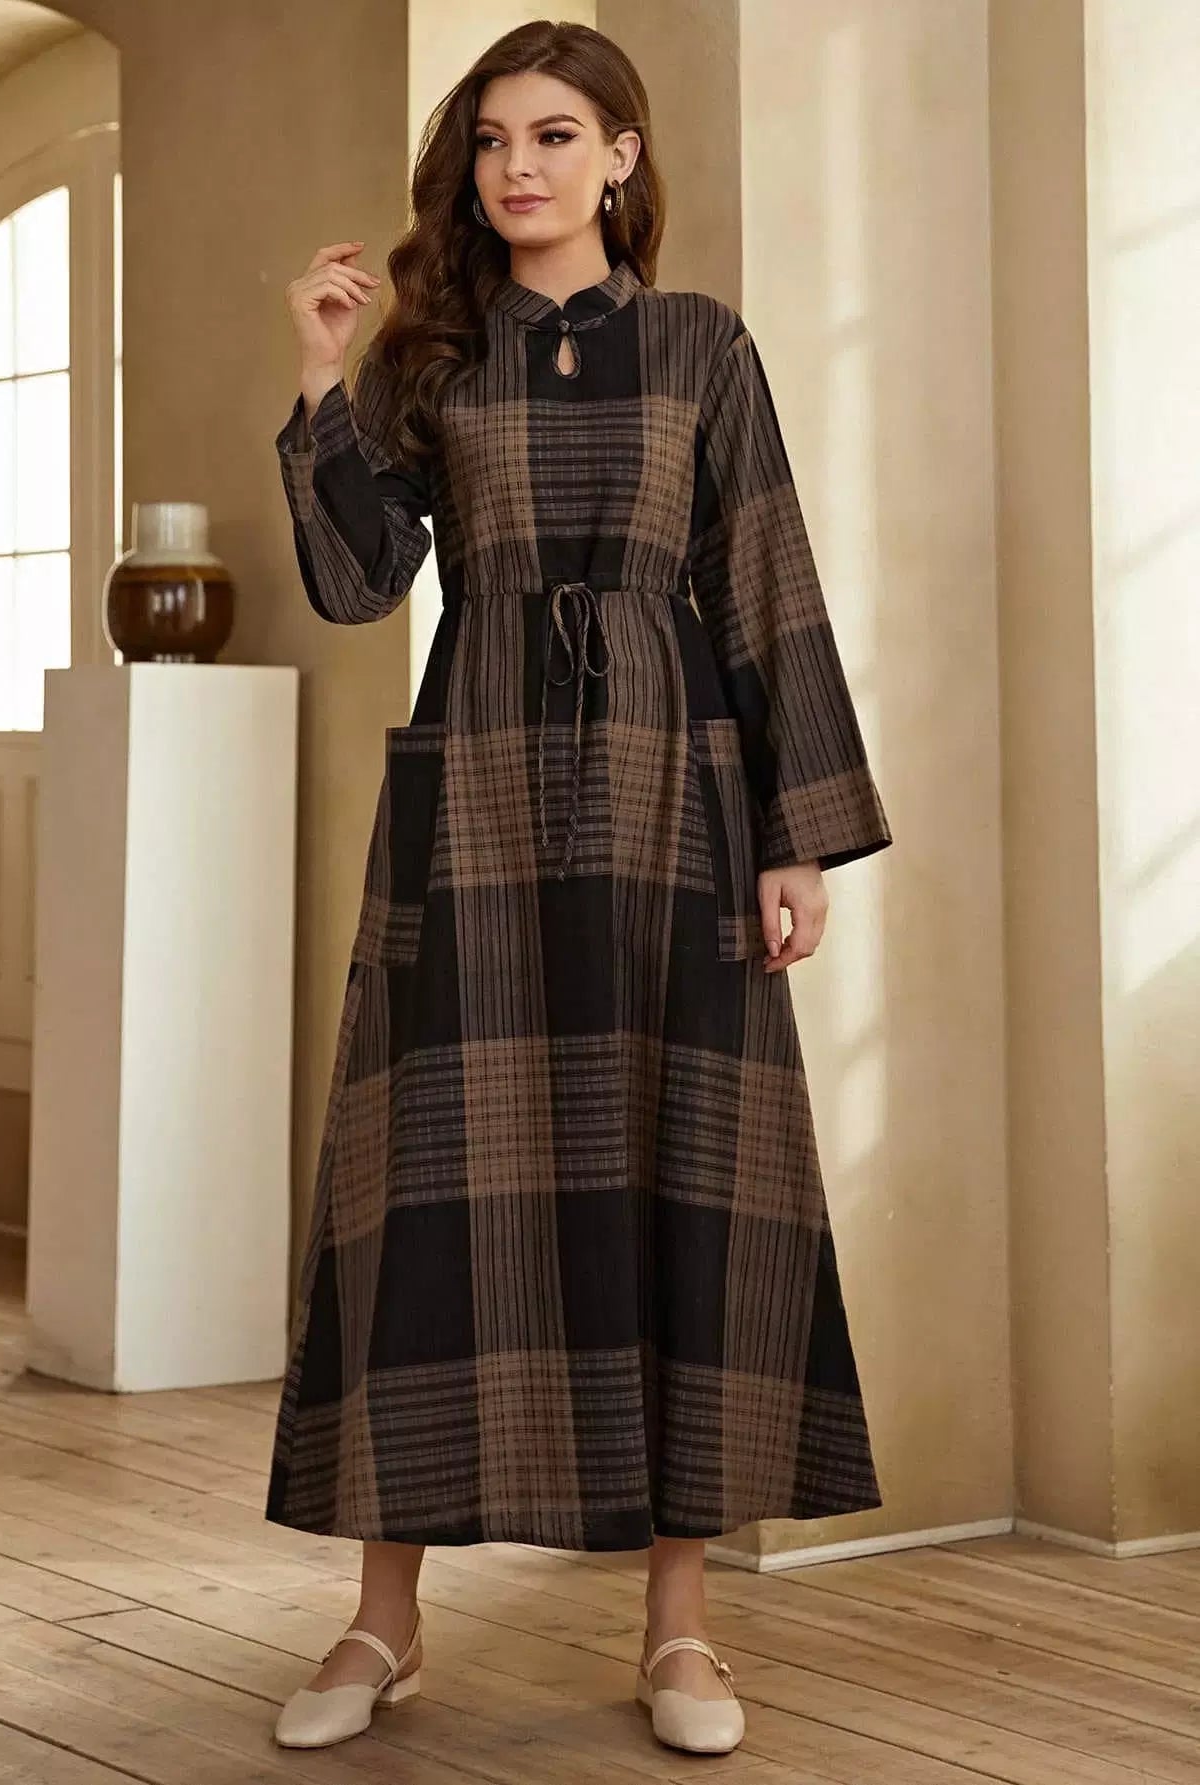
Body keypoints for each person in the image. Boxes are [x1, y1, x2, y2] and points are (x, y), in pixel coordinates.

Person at [266, 18, 892, 1759]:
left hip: (669, 806)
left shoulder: (701, 346)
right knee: (422, 1193)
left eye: (552, 135)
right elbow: (356, 582)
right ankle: (381, 1619)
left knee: (685, 1181)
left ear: (620, 154)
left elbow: (764, 579)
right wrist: (322, 378)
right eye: (490, 142)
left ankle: (678, 1628)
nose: (515, 168)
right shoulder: (433, 358)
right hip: (470, 797)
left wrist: (794, 834)